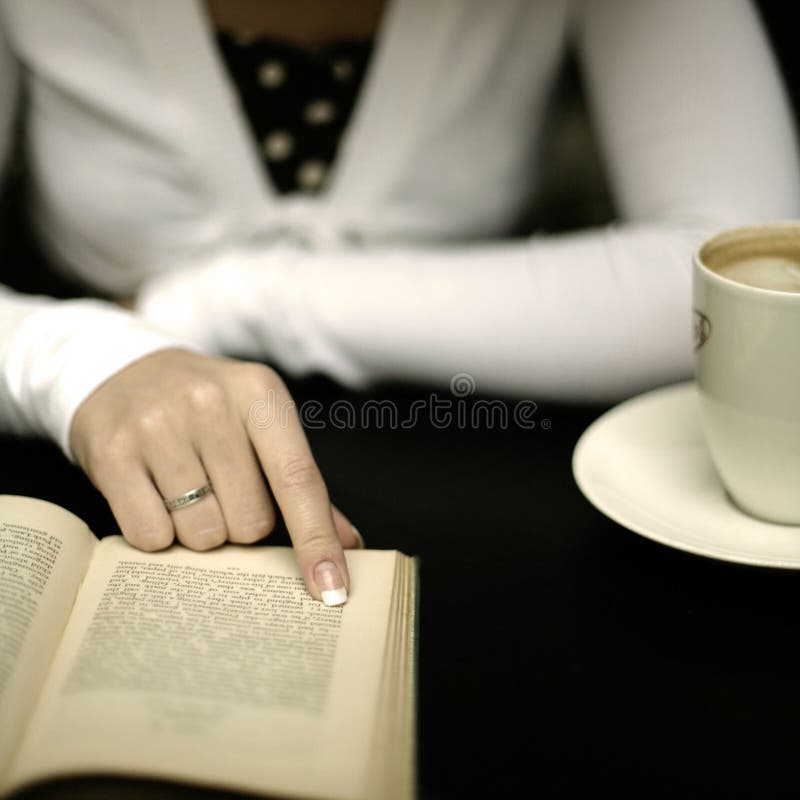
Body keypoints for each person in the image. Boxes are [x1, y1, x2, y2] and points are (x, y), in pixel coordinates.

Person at [1, 0, 798, 605]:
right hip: (72, 461)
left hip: (483, 480)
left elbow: (738, 277)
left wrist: (226, 299)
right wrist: (80, 357)